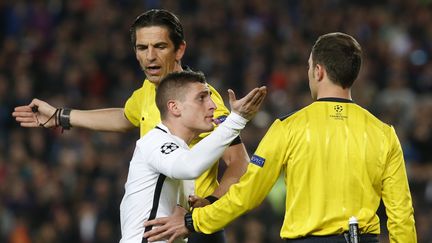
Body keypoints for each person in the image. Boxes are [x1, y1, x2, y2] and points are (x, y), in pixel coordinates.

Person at [143, 32, 417, 243]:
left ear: (318, 71)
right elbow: (401, 216)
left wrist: (194, 220)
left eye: (310, 67)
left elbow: (248, 194)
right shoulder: (384, 134)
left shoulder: (289, 128)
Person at [12, 9, 250, 242]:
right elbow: (126, 117)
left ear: (180, 49)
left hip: (194, 229)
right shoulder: (149, 90)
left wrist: (205, 207)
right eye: (142, 48)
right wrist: (60, 116)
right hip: (159, 229)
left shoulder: (203, 102)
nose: (150, 56)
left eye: (160, 46)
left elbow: (239, 163)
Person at [119, 70, 266, 243]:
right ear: (175, 107)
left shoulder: (181, 150)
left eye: (210, 97)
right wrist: (236, 120)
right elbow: (189, 167)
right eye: (201, 98)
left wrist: (201, 205)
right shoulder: (154, 142)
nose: (213, 105)